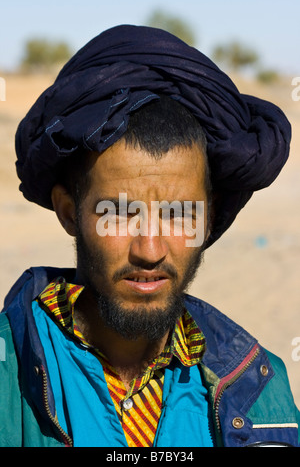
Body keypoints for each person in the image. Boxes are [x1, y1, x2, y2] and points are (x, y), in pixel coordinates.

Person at [0, 24, 299, 448]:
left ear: (209, 219)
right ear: (70, 212)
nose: (150, 250)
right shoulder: (8, 374)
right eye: (119, 214)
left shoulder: (261, 389)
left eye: (179, 215)